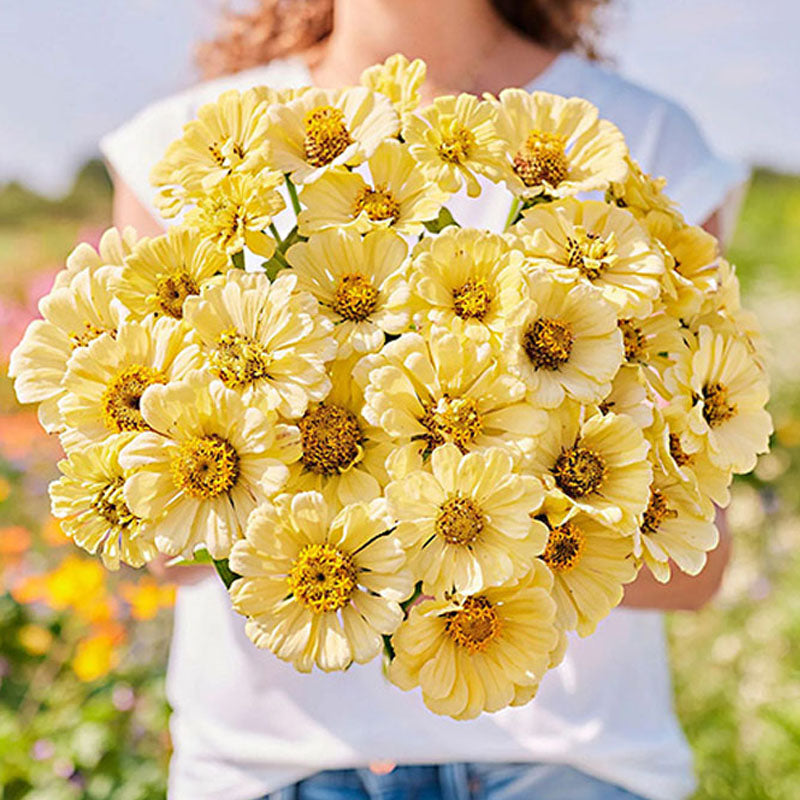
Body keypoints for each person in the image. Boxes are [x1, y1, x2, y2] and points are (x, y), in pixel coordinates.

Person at [101, 2, 746, 798]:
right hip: (272, 767)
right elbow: (160, 542)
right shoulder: (193, 142)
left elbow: (695, 562)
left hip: (573, 765)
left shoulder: (638, 140)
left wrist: (448, 517)